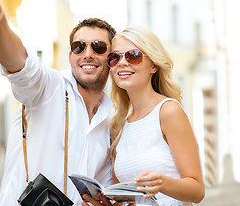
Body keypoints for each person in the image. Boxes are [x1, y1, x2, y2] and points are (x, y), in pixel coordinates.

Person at [0, 0, 117, 205]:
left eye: (98, 47)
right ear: (70, 56)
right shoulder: (50, 88)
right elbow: (19, 64)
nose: (88, 54)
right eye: (79, 47)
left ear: (111, 58)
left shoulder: (112, 117)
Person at [83, 27, 205, 206]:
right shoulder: (118, 125)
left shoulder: (168, 111)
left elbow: (197, 191)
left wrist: (162, 183)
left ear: (154, 65)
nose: (122, 63)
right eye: (115, 57)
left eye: (133, 55)